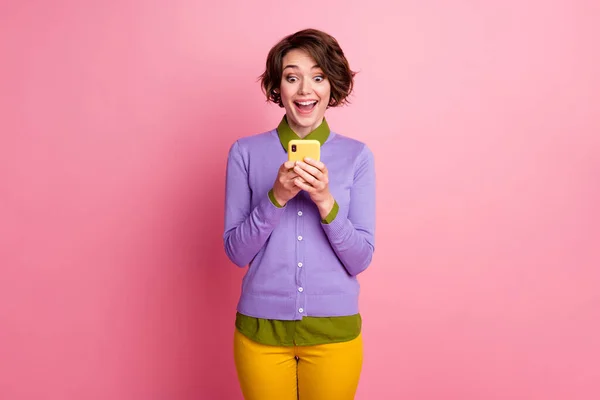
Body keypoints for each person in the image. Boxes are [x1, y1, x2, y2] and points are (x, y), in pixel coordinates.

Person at [223, 28, 376, 400]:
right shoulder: (245, 152)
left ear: (332, 86)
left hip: (334, 336)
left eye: (318, 77)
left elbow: (361, 258)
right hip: (260, 335)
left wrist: (326, 201)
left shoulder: (357, 156)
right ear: (279, 88)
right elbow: (235, 252)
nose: (305, 89)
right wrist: (275, 197)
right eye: (293, 77)